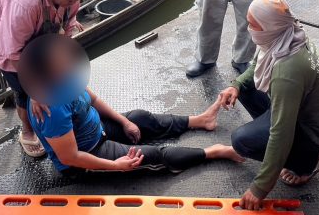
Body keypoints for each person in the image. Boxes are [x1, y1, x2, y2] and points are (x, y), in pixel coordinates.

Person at [19, 34, 245, 175]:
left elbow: (94, 100)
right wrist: (116, 166)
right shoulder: (50, 108)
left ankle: (200, 120)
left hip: (99, 129)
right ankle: (212, 153)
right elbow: (70, 157)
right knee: (151, 155)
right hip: (88, 154)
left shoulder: (67, 75)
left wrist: (124, 121)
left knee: (141, 117)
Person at [217, 0, 319, 210]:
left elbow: (281, 132)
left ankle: (308, 162)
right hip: (302, 107)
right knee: (246, 87)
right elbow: (258, 63)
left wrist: (260, 187)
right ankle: (295, 150)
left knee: (241, 140)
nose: (248, 29)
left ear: (269, 26)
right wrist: (236, 85)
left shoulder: (287, 69)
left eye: (253, 25)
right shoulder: (286, 35)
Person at [0, 0, 92, 157]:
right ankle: (27, 130)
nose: (74, 3)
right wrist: (35, 90)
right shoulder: (25, 0)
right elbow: (12, 51)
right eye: (69, 0)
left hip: (36, 28)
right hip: (2, 34)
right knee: (23, 90)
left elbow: (67, 24)